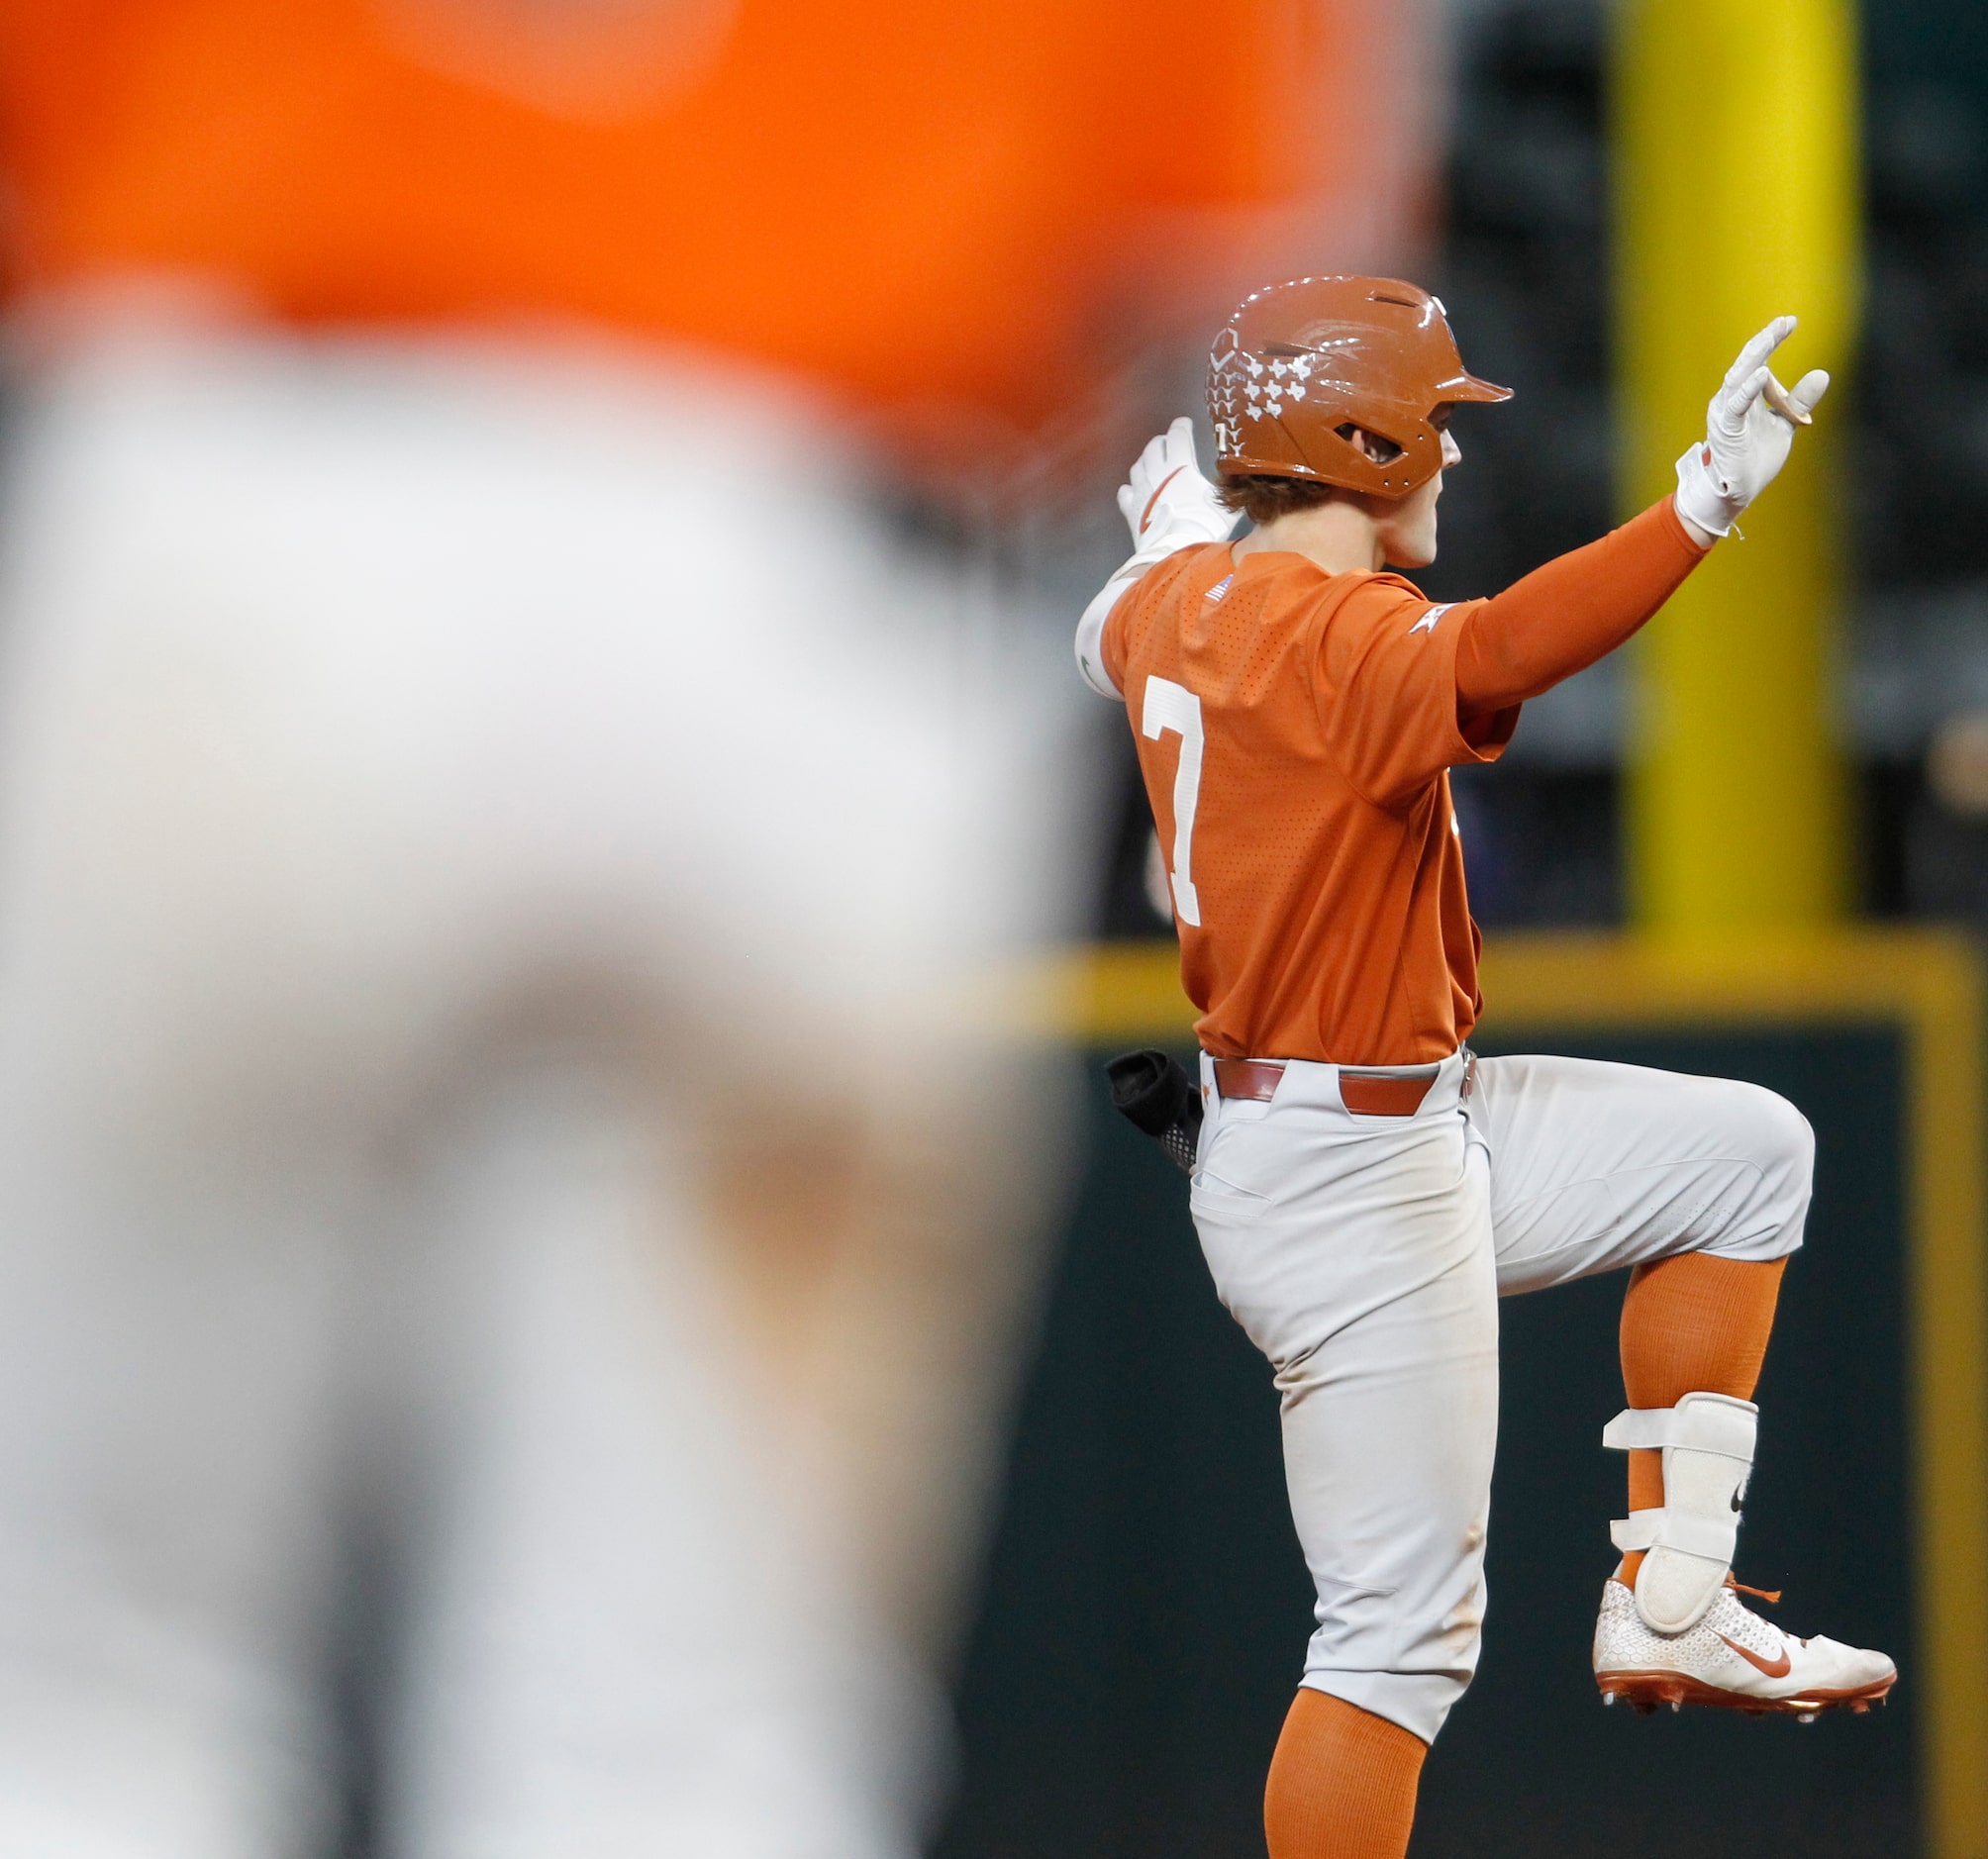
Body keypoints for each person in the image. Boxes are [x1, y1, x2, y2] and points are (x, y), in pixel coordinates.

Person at [0, 10, 1424, 1856]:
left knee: (93, 1688)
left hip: (257, 507)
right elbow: (1262, 287)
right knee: (685, 1742)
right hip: (811, 574)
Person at [1075, 275, 1896, 1859]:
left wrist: (1174, 531)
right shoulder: (1344, 645)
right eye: (1433, 428)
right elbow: (1514, 643)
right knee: (1392, 1643)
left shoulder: (1170, 604)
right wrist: (1701, 506)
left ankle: (1672, 1592)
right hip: (1349, 1179)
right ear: (1358, 437)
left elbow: (1107, 624)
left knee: (1749, 1153)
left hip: (1378, 1130)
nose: (1450, 460)